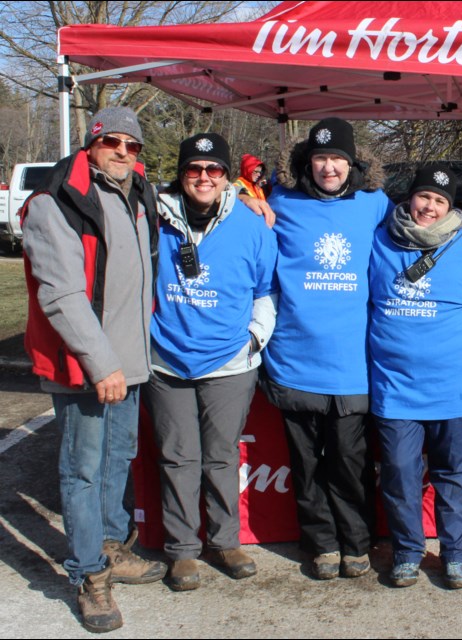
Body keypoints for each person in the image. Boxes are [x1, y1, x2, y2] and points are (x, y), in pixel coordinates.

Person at [21, 106, 166, 633]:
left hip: (130, 364)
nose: (123, 153)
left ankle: (109, 546)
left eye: (133, 146)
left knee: (117, 458)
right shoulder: (54, 204)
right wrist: (100, 363)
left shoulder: (138, 197)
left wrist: (250, 200)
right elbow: (62, 295)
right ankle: (88, 575)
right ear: (91, 143)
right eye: (113, 143)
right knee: (82, 469)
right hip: (86, 366)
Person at [146, 133, 278, 591]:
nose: (204, 177)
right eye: (194, 169)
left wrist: (254, 339)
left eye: (214, 169)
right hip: (167, 362)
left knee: (220, 457)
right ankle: (182, 552)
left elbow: (266, 291)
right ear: (182, 175)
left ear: (227, 177)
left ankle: (225, 541)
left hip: (229, 364)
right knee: (177, 458)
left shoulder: (252, 225)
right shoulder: (153, 218)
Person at [368, 164, 462, 589]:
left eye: (440, 201)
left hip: (451, 386)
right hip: (394, 387)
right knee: (398, 473)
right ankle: (408, 551)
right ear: (410, 198)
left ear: (452, 208)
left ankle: (455, 554)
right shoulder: (378, 240)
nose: (429, 207)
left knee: (452, 473)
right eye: (424, 196)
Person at [261, 118, 390, 581]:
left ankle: (356, 543)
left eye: (337, 158)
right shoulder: (280, 203)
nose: (329, 167)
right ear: (306, 163)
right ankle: (321, 544)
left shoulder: (375, 204)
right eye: (320, 158)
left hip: (353, 363)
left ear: (353, 161)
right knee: (307, 465)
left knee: (350, 463)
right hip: (295, 359)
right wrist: (243, 201)